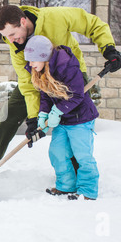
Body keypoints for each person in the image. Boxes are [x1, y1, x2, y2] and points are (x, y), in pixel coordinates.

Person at [0, 5, 121, 179]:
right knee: (10, 112)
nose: (10, 40)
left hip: (69, 77)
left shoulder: (55, 17)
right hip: (38, 79)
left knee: (72, 122)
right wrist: (33, 118)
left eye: (12, 34)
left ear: (23, 22)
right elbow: (27, 83)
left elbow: (92, 24)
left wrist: (108, 49)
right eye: (5, 37)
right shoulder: (15, 45)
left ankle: (78, 175)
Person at [24, 35, 99, 200]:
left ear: (43, 57)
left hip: (81, 119)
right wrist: (43, 114)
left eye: (32, 60)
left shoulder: (67, 67)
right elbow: (45, 97)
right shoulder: (41, 71)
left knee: (82, 155)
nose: (30, 64)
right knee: (57, 152)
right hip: (63, 121)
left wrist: (57, 112)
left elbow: (77, 95)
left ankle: (87, 190)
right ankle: (66, 186)